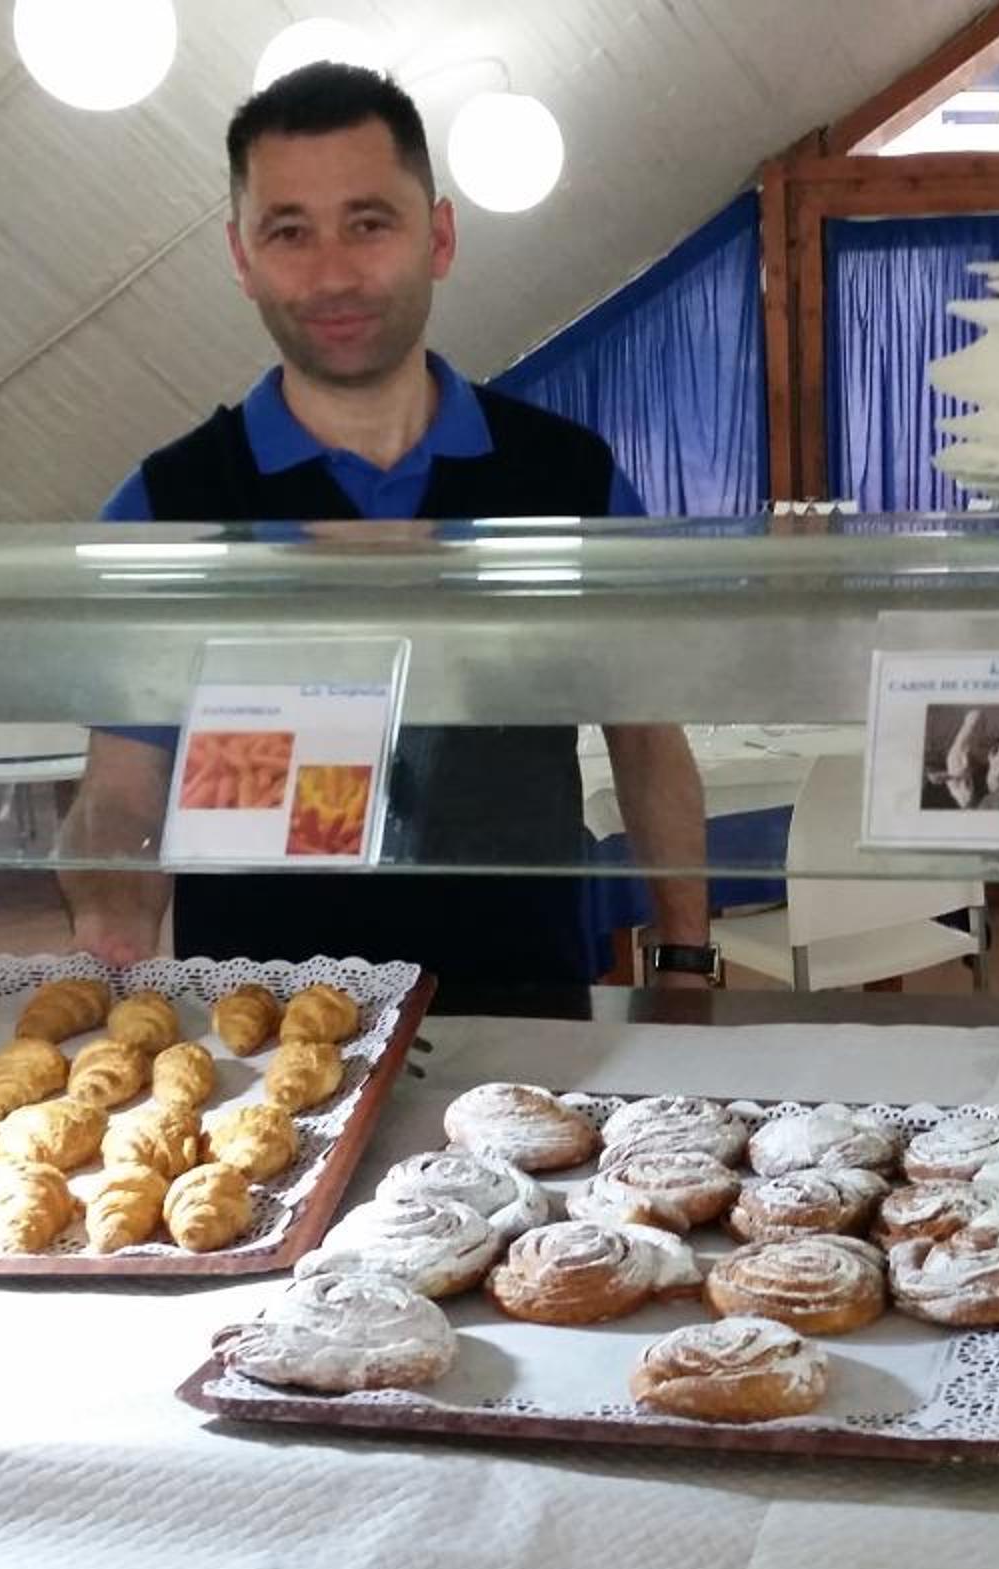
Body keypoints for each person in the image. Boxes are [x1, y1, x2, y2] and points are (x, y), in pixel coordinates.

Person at [59, 64, 712, 992]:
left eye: (368, 223)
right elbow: (123, 788)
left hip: (527, 1016)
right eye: (289, 232)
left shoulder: (569, 476)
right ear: (241, 258)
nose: (332, 274)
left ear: (438, 237)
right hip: (265, 1037)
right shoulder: (166, 505)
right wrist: (112, 909)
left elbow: (645, 739)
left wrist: (684, 955)